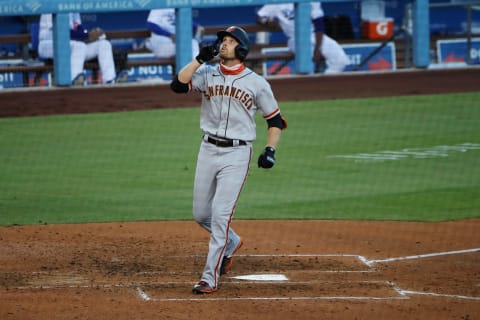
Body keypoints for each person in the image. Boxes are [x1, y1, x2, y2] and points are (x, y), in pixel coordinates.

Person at [170, 26, 287, 294]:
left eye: (231, 41)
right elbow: (177, 85)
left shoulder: (256, 83)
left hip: (237, 153)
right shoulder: (207, 74)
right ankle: (232, 242)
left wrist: (270, 149)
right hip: (207, 149)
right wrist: (200, 58)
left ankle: (209, 277)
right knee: (201, 214)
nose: (224, 44)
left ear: (242, 49)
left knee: (221, 216)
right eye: (223, 40)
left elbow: (275, 120)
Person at [256, 2, 349, 74]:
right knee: (307, 65)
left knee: (341, 60)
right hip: (294, 38)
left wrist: (318, 47)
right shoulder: (277, 2)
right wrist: (269, 22)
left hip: (314, 35)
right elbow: (261, 18)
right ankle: (311, 89)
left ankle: (325, 84)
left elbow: (319, 24)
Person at [37, 13, 125, 85]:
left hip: (71, 46)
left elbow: (78, 28)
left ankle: (110, 80)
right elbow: (60, 30)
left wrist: (91, 34)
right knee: (79, 46)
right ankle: (74, 79)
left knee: (104, 44)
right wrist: (87, 35)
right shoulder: (51, 3)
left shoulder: (73, 6)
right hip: (49, 44)